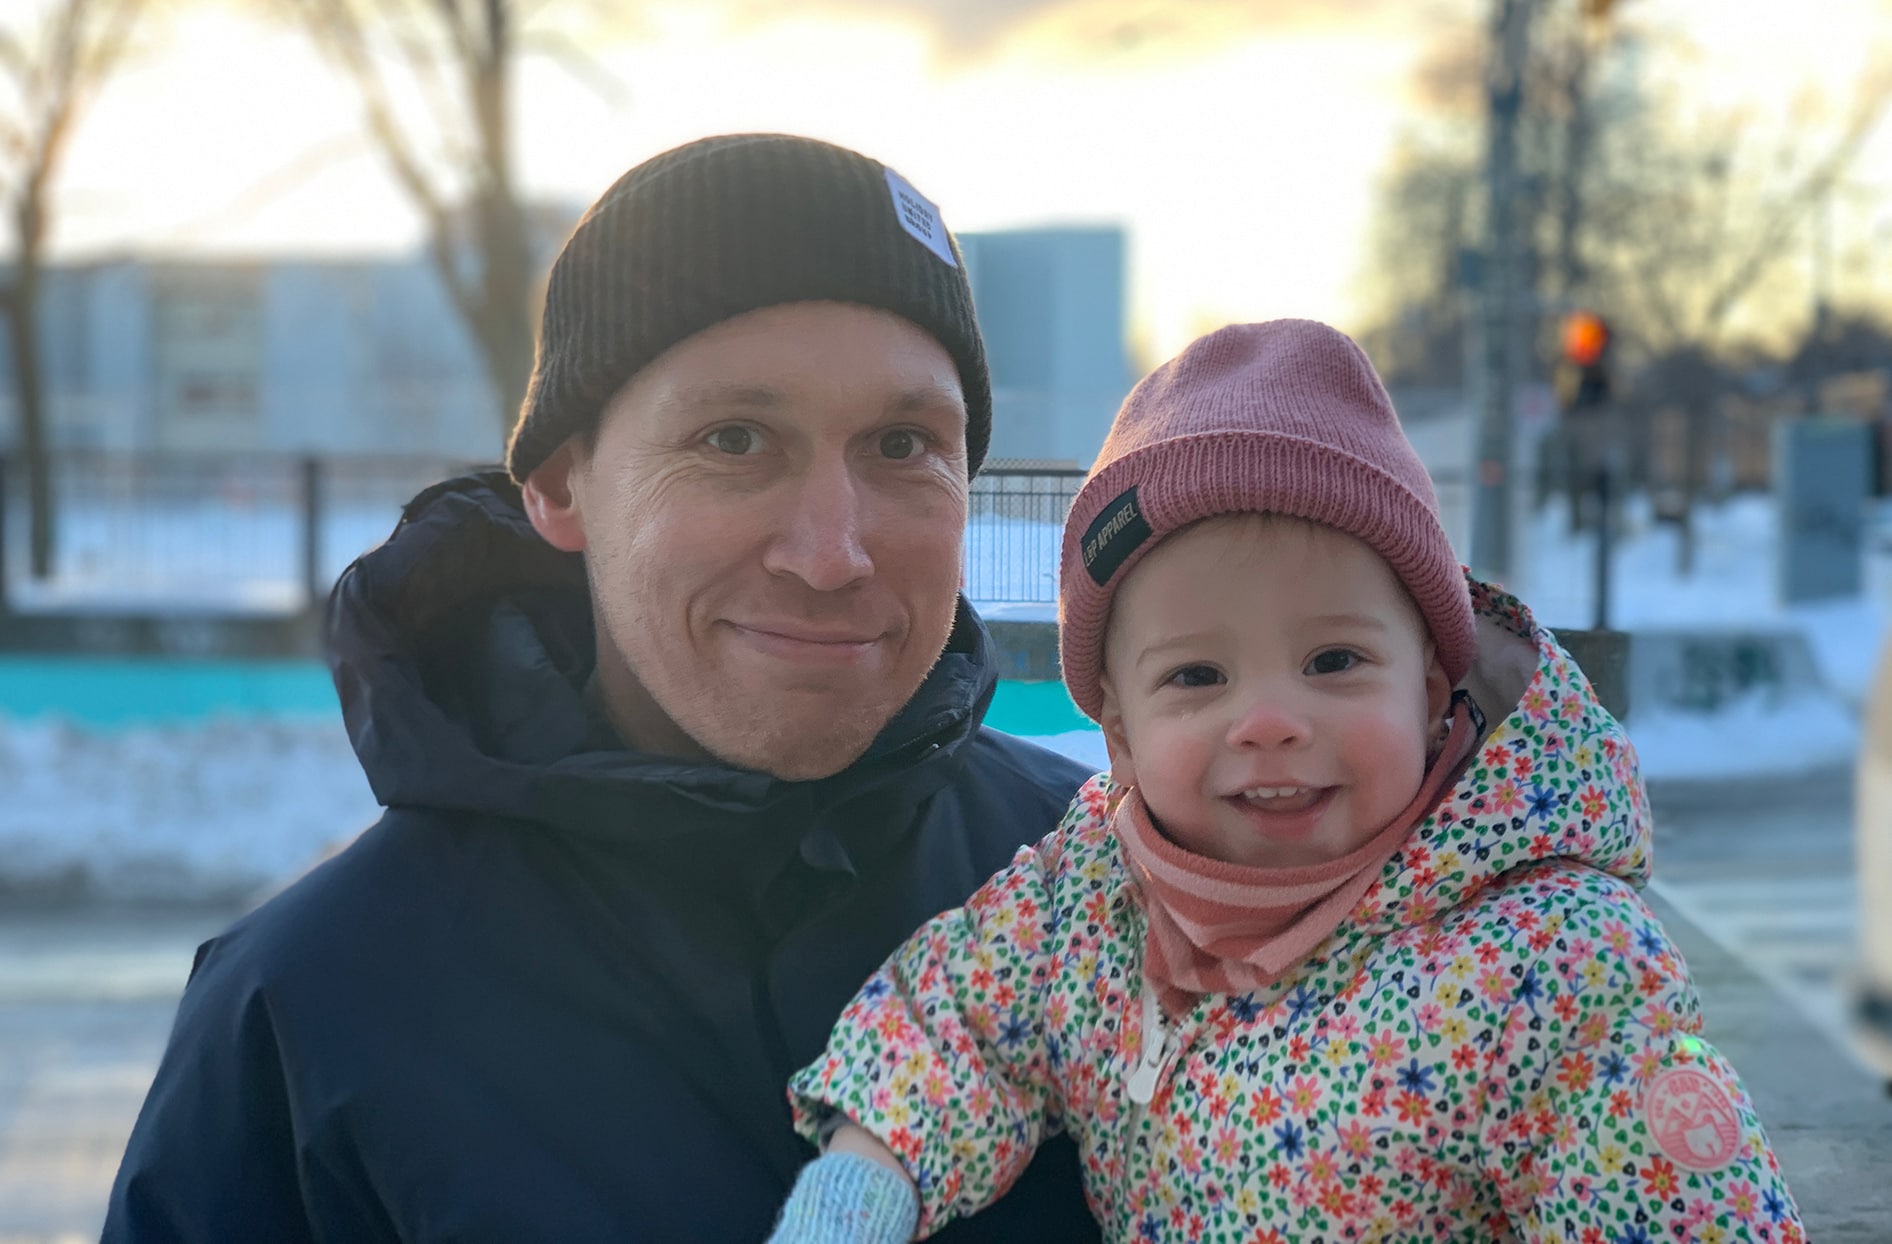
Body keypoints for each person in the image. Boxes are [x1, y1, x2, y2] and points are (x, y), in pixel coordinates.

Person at [104, 133, 1101, 1242]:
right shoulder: (309, 1014)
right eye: (734, 439)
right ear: (558, 486)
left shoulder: (1128, 897)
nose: (833, 552)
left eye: (902, 443)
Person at [772, 320, 1805, 1243]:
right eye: (1195, 675)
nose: (1267, 721)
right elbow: (957, 1022)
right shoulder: (1091, 903)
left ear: (1432, 686)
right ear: (1120, 732)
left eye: (1332, 662)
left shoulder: (1545, 963)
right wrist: (861, 1185)